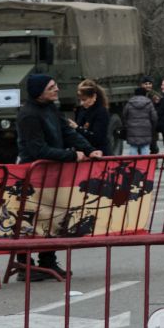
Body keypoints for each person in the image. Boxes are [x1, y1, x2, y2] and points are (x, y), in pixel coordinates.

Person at [14, 74, 101, 280]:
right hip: (32, 175)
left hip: (52, 174)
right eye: (52, 87)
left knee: (53, 217)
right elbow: (37, 149)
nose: (57, 89)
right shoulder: (28, 115)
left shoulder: (52, 109)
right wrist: (71, 155)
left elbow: (67, 132)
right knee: (29, 219)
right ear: (39, 91)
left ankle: (48, 260)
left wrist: (89, 150)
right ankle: (24, 265)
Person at [73, 79, 112, 155]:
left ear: (94, 96)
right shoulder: (82, 110)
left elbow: (97, 138)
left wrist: (77, 128)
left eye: (84, 100)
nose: (81, 103)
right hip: (86, 152)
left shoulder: (101, 112)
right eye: (80, 100)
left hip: (100, 153)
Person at [121, 85, 158, 156]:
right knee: (145, 147)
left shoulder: (129, 103)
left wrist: (127, 125)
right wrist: (152, 127)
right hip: (146, 129)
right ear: (145, 94)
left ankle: (133, 164)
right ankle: (145, 165)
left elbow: (124, 115)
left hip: (132, 130)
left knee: (133, 147)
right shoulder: (149, 103)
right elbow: (154, 117)